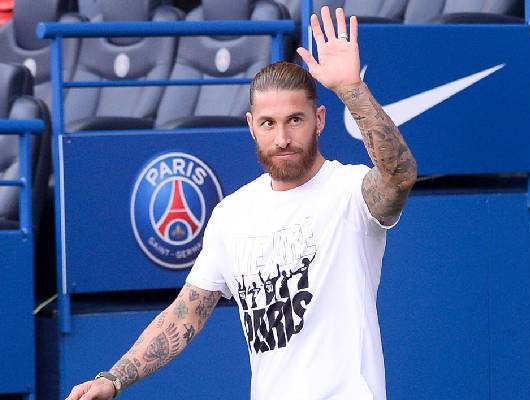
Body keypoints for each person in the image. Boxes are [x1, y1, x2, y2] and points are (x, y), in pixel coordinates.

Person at [66, 6, 416, 400]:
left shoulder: (349, 192)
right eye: (269, 123)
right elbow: (186, 314)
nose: (282, 138)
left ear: (319, 119)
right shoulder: (232, 215)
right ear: (251, 126)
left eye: (295, 120)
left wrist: (351, 88)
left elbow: (399, 175)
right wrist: (113, 379)